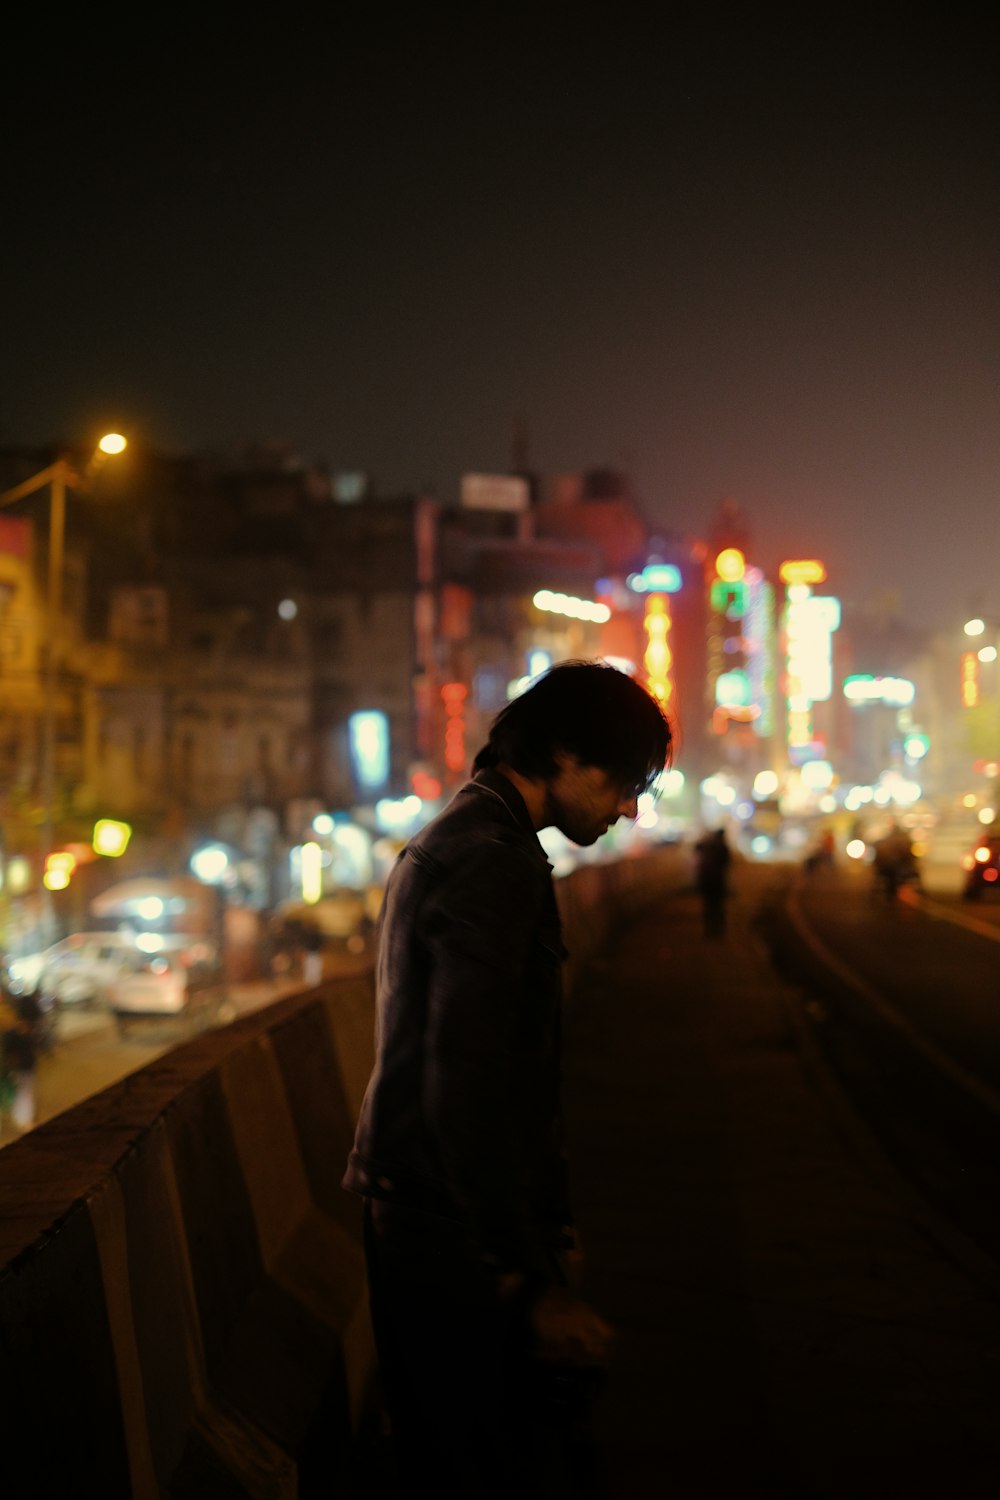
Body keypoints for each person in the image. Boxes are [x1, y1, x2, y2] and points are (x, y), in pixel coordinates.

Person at [343, 660, 672, 1497]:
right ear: (562, 756)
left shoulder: (465, 835)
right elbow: (468, 1079)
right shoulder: (491, 861)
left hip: (425, 1212)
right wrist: (519, 1273)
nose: (631, 806)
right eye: (624, 780)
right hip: (445, 1228)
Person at [693, 826, 732, 938]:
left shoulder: (709, 846)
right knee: (717, 906)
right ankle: (718, 931)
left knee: (709, 906)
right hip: (718, 881)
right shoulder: (722, 847)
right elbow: (727, 864)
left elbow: (697, 849)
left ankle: (710, 930)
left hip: (707, 881)